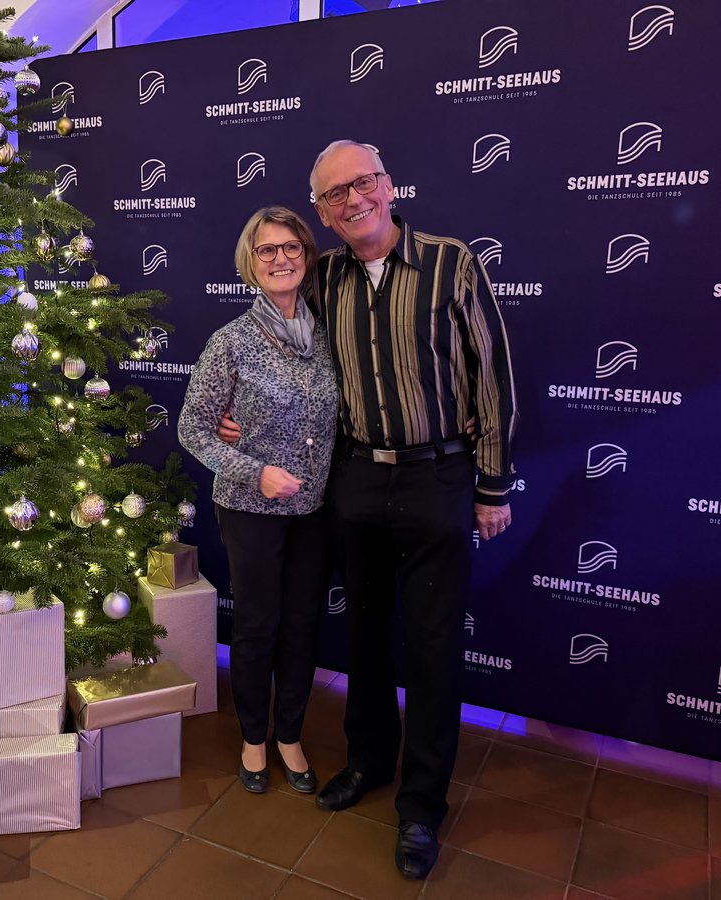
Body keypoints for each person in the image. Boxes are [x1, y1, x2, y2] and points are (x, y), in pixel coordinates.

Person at [221, 141, 517, 879]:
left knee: (433, 648)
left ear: (388, 186)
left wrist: (491, 485)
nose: (353, 201)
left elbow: (492, 377)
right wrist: (235, 418)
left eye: (362, 184)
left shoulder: (451, 263)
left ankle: (421, 807)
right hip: (354, 480)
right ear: (322, 213)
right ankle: (369, 760)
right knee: (365, 638)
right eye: (334, 195)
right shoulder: (324, 278)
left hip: (438, 476)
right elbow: (282, 359)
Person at [178, 206, 338, 796]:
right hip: (251, 510)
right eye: (267, 250)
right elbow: (193, 429)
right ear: (250, 262)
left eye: (291, 247)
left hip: (316, 511)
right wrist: (255, 471)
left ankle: (289, 735)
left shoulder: (329, 336)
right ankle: (253, 739)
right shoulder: (232, 342)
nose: (280, 259)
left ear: (307, 256)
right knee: (256, 627)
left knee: (301, 626)